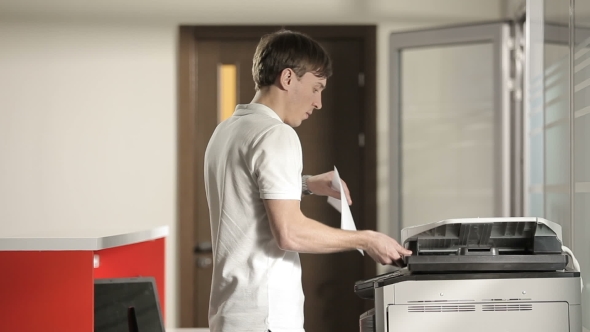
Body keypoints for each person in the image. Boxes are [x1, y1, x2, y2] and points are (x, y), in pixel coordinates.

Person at [204, 29, 411, 332]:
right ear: (288, 79)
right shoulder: (278, 134)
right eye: (316, 88)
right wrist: (366, 239)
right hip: (267, 318)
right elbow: (289, 233)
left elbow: (244, 189)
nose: (319, 102)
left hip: (231, 312)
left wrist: (307, 183)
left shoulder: (228, 130)